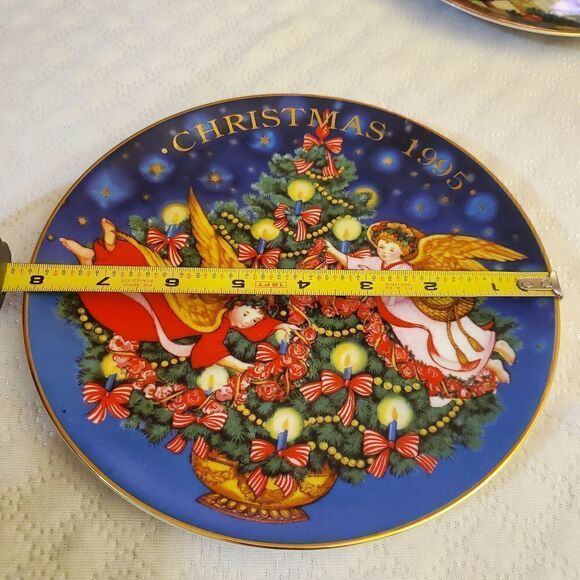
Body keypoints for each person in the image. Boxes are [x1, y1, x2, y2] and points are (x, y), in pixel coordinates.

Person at [60, 218, 297, 373]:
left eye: (253, 320)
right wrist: (239, 366)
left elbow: (254, 325)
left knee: (127, 293)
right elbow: (209, 349)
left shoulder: (224, 313)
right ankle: (103, 252)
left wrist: (278, 325)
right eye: (246, 314)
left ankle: (89, 259)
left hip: (162, 311)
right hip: (164, 315)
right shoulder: (217, 319)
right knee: (121, 304)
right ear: (237, 303)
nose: (247, 322)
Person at [324, 221, 517, 390]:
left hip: (416, 312)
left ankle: (494, 348)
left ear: (403, 250)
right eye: (381, 247)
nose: (384, 252)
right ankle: (489, 365)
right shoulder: (376, 263)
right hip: (397, 319)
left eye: (391, 249)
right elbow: (352, 262)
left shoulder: (405, 268)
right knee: (421, 351)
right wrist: (332, 250)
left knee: (444, 339)